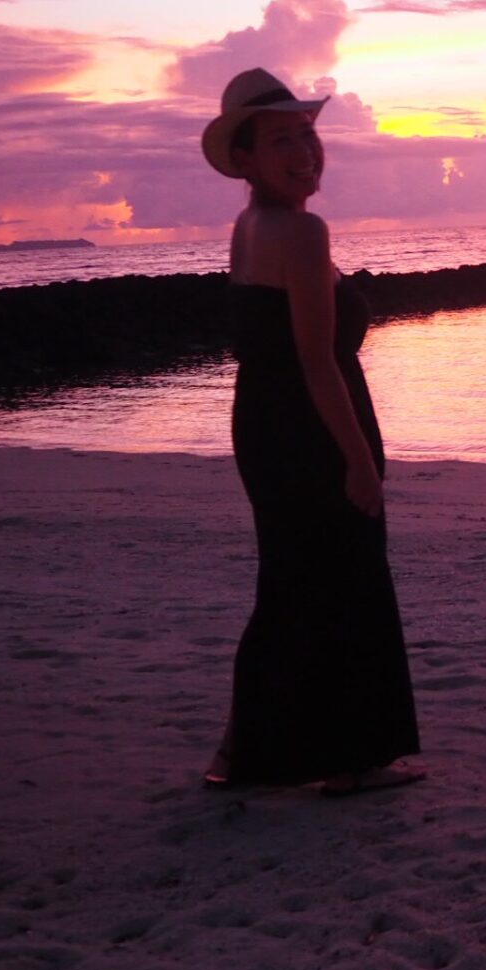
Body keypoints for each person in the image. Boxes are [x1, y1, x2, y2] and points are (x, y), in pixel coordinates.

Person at [200, 68, 423, 795]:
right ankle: (352, 761)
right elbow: (316, 359)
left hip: (266, 420)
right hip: (309, 426)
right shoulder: (301, 231)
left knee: (293, 584)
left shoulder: (251, 225)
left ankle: (244, 752)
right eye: (281, 141)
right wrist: (357, 460)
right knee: (346, 580)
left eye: (307, 134)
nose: (303, 152)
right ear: (244, 158)